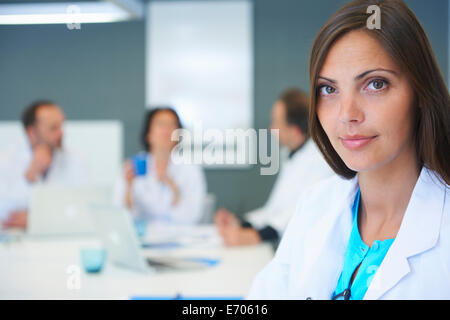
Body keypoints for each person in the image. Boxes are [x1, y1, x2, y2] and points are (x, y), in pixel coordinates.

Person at [248, 0, 450, 300]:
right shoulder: (315, 206)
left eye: (375, 84)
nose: (347, 114)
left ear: (420, 92)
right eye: (329, 89)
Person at [214, 88, 334, 246]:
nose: (271, 129)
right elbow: (273, 210)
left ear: (294, 130)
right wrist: (239, 222)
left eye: (276, 122)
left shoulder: (320, 161)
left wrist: (256, 236)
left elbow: (297, 215)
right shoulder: (291, 156)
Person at [0, 100, 88, 229]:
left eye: (61, 126)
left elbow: (82, 210)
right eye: (53, 128)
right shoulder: (5, 161)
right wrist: (30, 175)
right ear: (31, 133)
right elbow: (5, 214)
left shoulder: (76, 160)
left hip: (61, 240)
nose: (61, 133)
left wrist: (37, 220)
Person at [114, 107, 207, 225]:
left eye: (172, 125)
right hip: (141, 238)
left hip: (179, 238)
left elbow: (192, 217)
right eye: (161, 124)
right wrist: (128, 187)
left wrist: (173, 187)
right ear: (148, 134)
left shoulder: (190, 170)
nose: (166, 130)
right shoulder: (131, 167)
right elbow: (121, 216)